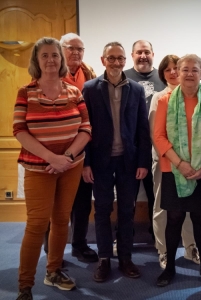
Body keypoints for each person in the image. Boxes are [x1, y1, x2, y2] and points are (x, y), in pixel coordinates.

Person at [13, 37, 92, 300]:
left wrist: (67, 157)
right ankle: (25, 285)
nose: (50, 60)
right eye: (44, 55)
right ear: (36, 60)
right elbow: (20, 130)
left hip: (70, 166)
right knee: (37, 224)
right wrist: (51, 157)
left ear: (61, 59)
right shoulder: (26, 92)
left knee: (61, 220)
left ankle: (54, 271)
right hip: (39, 169)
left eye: (55, 55)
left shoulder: (74, 92)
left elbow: (86, 128)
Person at [82, 41, 151, 282]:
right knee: (101, 210)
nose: (116, 62)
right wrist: (86, 163)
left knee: (126, 211)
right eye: (111, 58)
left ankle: (125, 258)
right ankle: (103, 260)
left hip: (128, 161)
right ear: (103, 61)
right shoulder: (89, 89)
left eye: (120, 58)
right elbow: (84, 129)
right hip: (100, 162)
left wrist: (143, 161)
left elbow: (143, 128)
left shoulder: (136, 89)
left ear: (126, 60)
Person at [153, 54, 201, 287]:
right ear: (177, 73)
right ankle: (169, 268)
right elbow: (159, 137)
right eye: (185, 70)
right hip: (173, 169)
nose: (190, 74)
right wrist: (180, 163)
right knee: (174, 218)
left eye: (195, 69)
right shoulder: (165, 100)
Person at [43, 32, 98, 263]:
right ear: (61, 50)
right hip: (54, 150)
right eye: (70, 48)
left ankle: (79, 244)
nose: (76, 53)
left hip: (82, 149)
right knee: (52, 205)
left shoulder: (90, 74)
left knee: (82, 203)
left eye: (80, 49)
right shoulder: (49, 75)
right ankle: (51, 250)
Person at [149, 55, 200, 269]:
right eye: (167, 69)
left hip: (191, 163)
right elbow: (155, 134)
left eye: (175, 68)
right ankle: (163, 251)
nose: (172, 72)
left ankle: (191, 248)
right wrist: (175, 159)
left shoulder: (199, 96)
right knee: (163, 208)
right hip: (165, 162)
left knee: (188, 208)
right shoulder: (159, 97)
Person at [125, 40, 166, 240]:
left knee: (155, 196)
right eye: (139, 52)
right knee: (127, 196)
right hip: (130, 149)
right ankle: (124, 234)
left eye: (147, 52)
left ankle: (156, 235)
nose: (143, 56)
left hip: (157, 149)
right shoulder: (123, 77)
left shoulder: (163, 77)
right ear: (132, 55)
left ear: (153, 54)